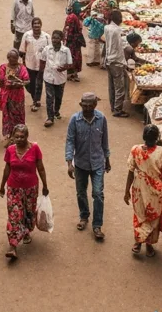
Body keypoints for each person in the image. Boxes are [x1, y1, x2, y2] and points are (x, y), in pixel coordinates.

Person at [124, 124, 162, 256]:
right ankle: (148, 244)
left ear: (143, 137)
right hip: (157, 190)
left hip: (139, 187)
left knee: (140, 215)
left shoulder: (135, 150)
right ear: (158, 137)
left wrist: (126, 192)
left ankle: (138, 242)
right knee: (153, 217)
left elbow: (130, 172)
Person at [65, 93, 110, 240]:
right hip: (81, 163)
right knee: (81, 192)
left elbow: (104, 141)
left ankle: (97, 225)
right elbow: (70, 141)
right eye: (85, 105)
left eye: (90, 105)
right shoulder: (74, 120)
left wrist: (107, 159)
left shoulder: (101, 119)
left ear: (95, 105)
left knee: (98, 194)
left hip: (98, 163)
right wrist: (69, 162)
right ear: (80, 105)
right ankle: (84, 216)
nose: (87, 108)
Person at [0, 125, 48, 260]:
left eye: (22, 137)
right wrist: (2, 186)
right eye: (16, 137)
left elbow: (41, 168)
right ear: (13, 137)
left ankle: (26, 231)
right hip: (13, 188)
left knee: (29, 213)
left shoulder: (35, 149)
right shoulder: (10, 150)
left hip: (30, 188)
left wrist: (45, 185)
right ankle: (13, 245)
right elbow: (7, 168)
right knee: (14, 215)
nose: (19, 139)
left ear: (27, 136)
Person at [40, 30, 73, 127]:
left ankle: (56, 111)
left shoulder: (66, 50)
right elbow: (42, 61)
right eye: (53, 38)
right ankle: (50, 118)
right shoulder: (47, 49)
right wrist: (40, 73)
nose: (55, 40)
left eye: (57, 38)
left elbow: (70, 64)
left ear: (61, 39)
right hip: (48, 77)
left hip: (60, 78)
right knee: (49, 97)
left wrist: (64, 68)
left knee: (58, 97)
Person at [102, 10, 130, 118]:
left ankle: (113, 106)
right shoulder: (117, 30)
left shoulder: (107, 27)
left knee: (111, 86)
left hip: (109, 60)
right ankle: (118, 109)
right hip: (117, 62)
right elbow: (121, 46)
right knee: (119, 87)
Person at [0, 50, 30, 143]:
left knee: (18, 115)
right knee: (7, 116)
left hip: (18, 97)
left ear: (18, 58)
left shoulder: (22, 68)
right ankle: (9, 135)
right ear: (8, 58)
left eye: (14, 58)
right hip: (7, 96)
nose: (12, 59)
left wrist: (21, 83)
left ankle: (19, 134)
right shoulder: (3, 67)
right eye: (10, 57)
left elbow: (27, 80)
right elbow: (2, 81)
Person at [19, 17, 49, 112]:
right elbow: (22, 50)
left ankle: (36, 101)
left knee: (39, 83)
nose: (36, 25)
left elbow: (49, 51)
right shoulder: (27, 35)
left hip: (42, 65)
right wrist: (23, 63)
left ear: (41, 25)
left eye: (38, 23)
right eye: (34, 23)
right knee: (30, 84)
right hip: (29, 64)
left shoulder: (46, 37)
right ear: (32, 25)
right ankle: (35, 97)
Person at [63, 6, 86, 82]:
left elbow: (68, 30)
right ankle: (73, 74)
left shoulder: (71, 17)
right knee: (75, 57)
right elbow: (70, 30)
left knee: (72, 57)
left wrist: (65, 41)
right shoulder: (74, 18)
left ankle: (71, 74)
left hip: (72, 42)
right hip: (74, 42)